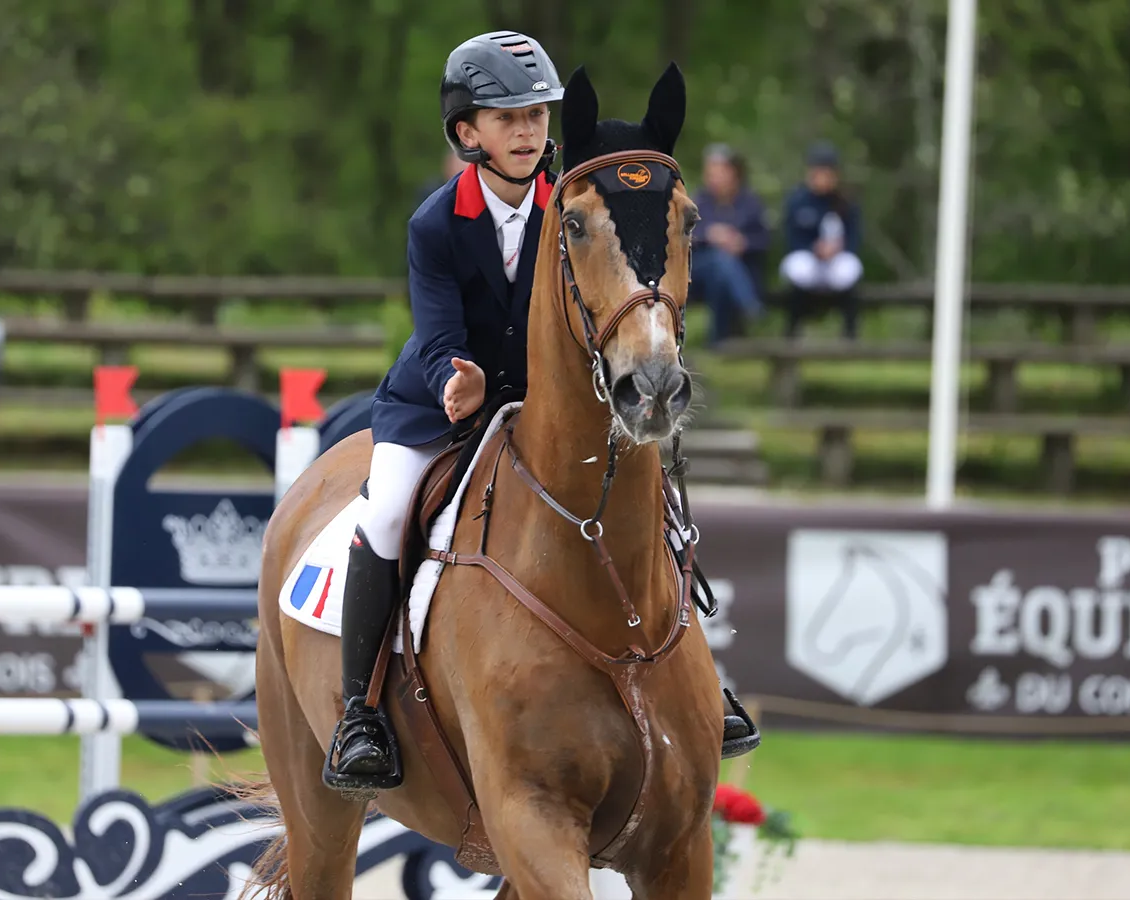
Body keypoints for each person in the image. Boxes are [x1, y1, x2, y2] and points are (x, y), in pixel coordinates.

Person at [325, 31, 760, 794]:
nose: (528, 132)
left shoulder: (578, 198)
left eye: (536, 116)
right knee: (388, 510)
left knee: (649, 497)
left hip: (547, 399)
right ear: (468, 133)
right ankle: (358, 713)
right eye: (507, 118)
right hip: (440, 398)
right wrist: (453, 381)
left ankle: (697, 686)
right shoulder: (435, 223)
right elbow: (435, 332)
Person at [779, 140, 864, 339]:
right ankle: (793, 328)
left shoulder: (846, 202)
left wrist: (839, 249)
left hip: (836, 261)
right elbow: (791, 237)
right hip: (809, 259)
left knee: (850, 269)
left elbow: (855, 236)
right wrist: (813, 248)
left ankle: (850, 330)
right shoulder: (798, 200)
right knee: (797, 269)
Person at [690, 143, 769, 343]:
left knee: (721, 272)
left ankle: (717, 341)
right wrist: (710, 236)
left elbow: (764, 240)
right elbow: (683, 238)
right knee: (719, 260)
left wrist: (742, 243)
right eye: (709, 173)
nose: (713, 178)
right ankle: (750, 307)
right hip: (698, 272)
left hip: (739, 271)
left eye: (718, 172)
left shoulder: (750, 203)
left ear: (733, 173)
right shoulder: (697, 202)